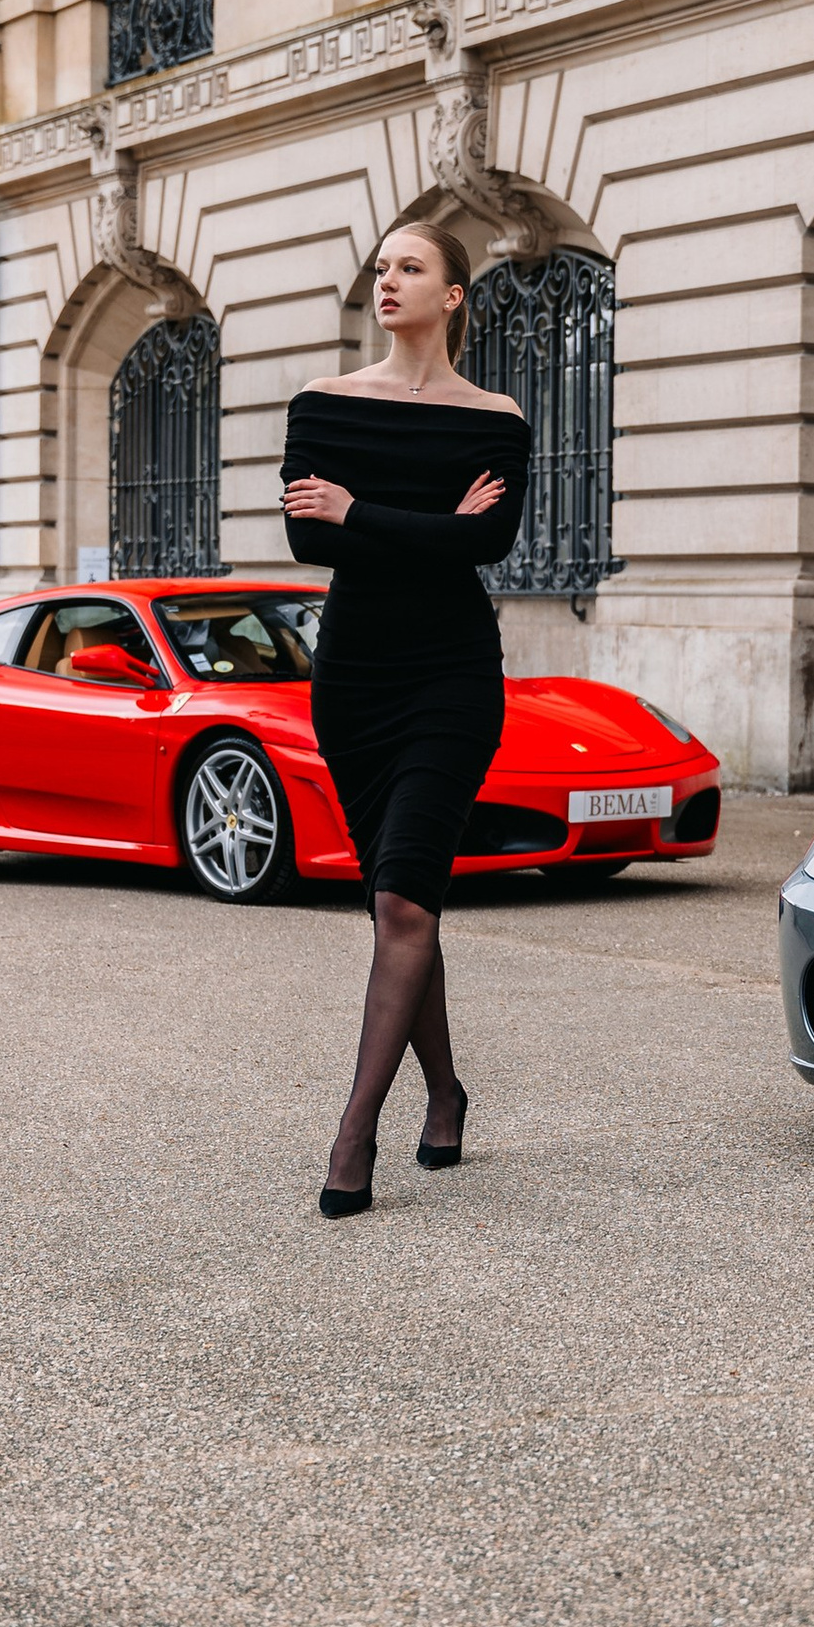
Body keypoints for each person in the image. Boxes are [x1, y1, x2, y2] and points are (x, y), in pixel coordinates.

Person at [281, 206, 531, 1214]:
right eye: (381, 266)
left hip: (452, 678)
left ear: (452, 294)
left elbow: (493, 541)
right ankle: (445, 1091)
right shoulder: (321, 403)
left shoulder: (497, 418)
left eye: (410, 266)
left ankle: (353, 1140)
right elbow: (311, 546)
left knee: (400, 904)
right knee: (401, 899)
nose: (387, 280)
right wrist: (427, 526)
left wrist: (361, 516)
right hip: (356, 680)